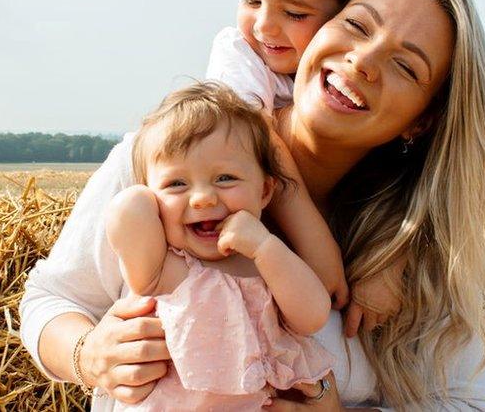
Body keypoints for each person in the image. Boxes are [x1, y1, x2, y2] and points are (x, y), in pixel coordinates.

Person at [20, 0, 485, 411]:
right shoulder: (165, 162)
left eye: (405, 66)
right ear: (318, 28)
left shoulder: (417, 250)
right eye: (356, 25)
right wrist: (89, 353)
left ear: (421, 122)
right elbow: (51, 298)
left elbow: (469, 403)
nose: (362, 61)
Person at [205, 0, 395, 320]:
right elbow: (253, 132)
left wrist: (393, 261)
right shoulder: (239, 54)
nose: (264, 26)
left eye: (294, 11)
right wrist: (313, 235)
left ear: (348, 14)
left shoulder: (348, 82)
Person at [104, 82, 333, 410]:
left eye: (225, 178)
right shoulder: (167, 269)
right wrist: (148, 195)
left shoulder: (268, 265)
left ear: (265, 192)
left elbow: (312, 316)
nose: (202, 198)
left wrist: (265, 247)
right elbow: (126, 212)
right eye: (176, 183)